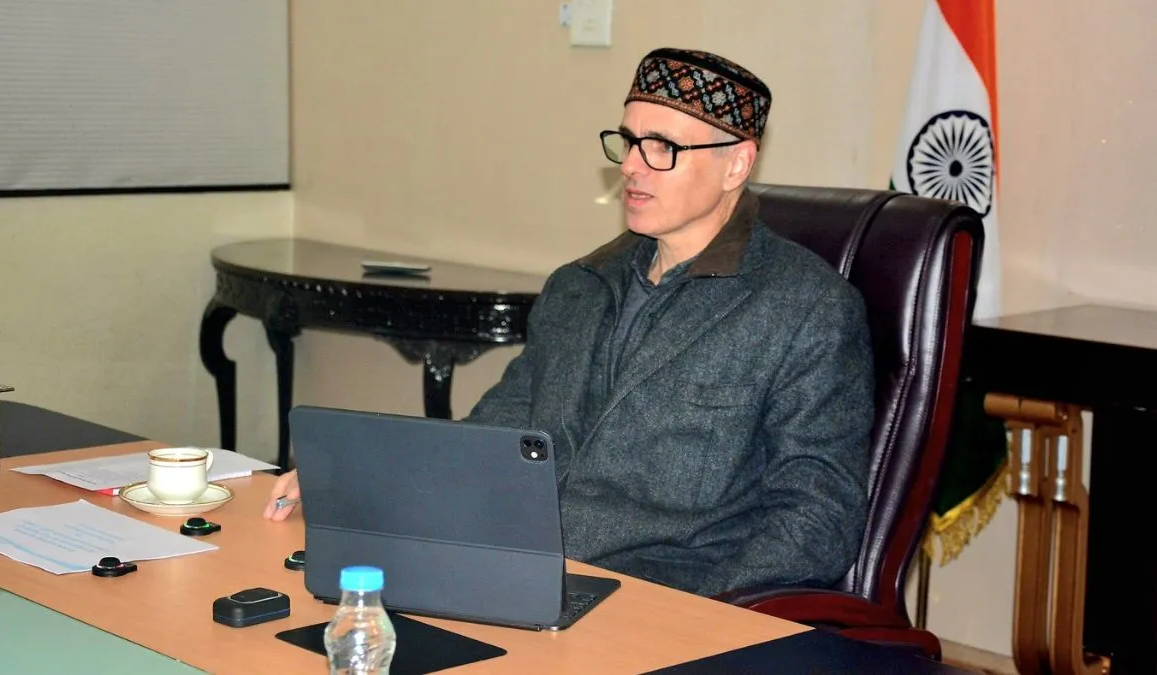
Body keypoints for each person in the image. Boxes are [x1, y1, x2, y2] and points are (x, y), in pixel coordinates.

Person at [265, 47, 875, 598]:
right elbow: (491, 438)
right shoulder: (578, 287)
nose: (631, 167)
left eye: (661, 148)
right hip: (520, 573)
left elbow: (816, 520)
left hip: (664, 597)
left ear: (737, 165)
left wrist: (694, 610)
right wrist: (357, 480)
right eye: (627, 142)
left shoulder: (807, 309)